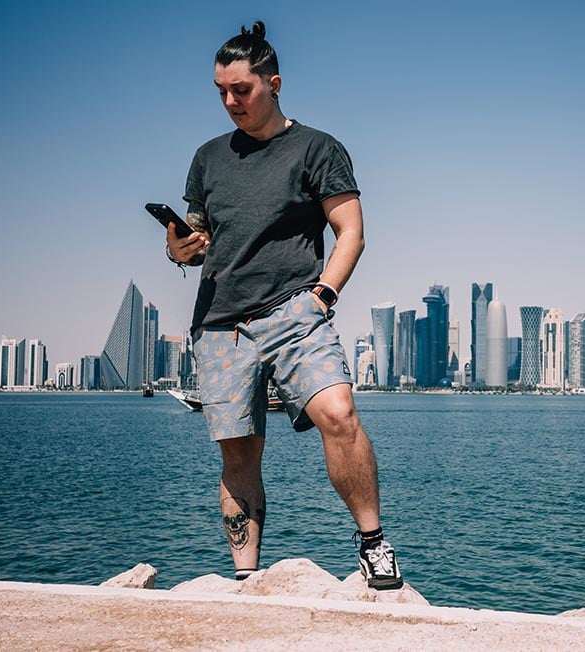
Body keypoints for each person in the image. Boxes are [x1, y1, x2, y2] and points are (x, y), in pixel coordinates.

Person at [165, 20, 402, 590]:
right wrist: (179, 248)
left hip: (294, 309)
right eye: (220, 91)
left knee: (339, 414)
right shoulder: (207, 157)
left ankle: (373, 545)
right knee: (239, 455)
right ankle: (247, 579)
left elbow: (351, 232)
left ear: (273, 83)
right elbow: (196, 240)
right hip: (219, 323)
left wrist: (323, 295)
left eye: (241, 90)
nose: (230, 102)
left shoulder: (318, 148)